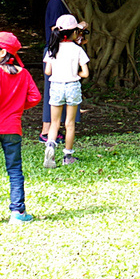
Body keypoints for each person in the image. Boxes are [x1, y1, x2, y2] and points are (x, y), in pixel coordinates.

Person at [0, 31, 42, 225]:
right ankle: (18, 213)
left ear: (3, 53)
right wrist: (17, 107)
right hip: (13, 128)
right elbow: (35, 97)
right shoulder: (24, 73)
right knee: (15, 170)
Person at [41, 0, 86, 142]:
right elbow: (55, 29)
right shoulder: (55, 3)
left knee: (62, 88)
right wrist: (78, 27)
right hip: (56, 52)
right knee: (53, 89)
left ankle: (55, 129)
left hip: (64, 51)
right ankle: (47, 130)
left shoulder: (61, 2)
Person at [43, 15, 90, 169]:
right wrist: (76, 74)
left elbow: (48, 71)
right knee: (69, 124)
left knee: (54, 123)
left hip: (56, 86)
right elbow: (86, 73)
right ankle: (67, 156)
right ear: (75, 32)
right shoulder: (78, 49)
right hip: (72, 86)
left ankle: (50, 147)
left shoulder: (52, 48)